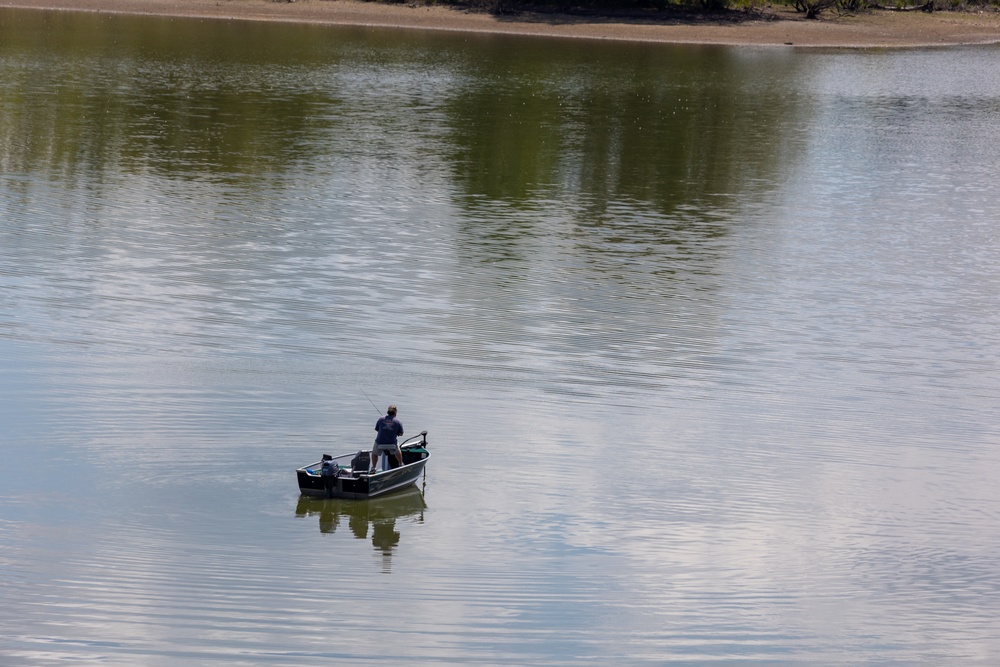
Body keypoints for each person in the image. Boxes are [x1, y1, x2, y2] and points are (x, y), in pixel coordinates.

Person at [371, 405, 404, 472]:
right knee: (397, 449)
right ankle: (400, 464)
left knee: (374, 453)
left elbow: (377, 429)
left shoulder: (380, 419)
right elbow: (401, 433)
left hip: (380, 443)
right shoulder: (398, 421)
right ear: (395, 412)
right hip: (392, 443)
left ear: (388, 412)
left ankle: (373, 468)